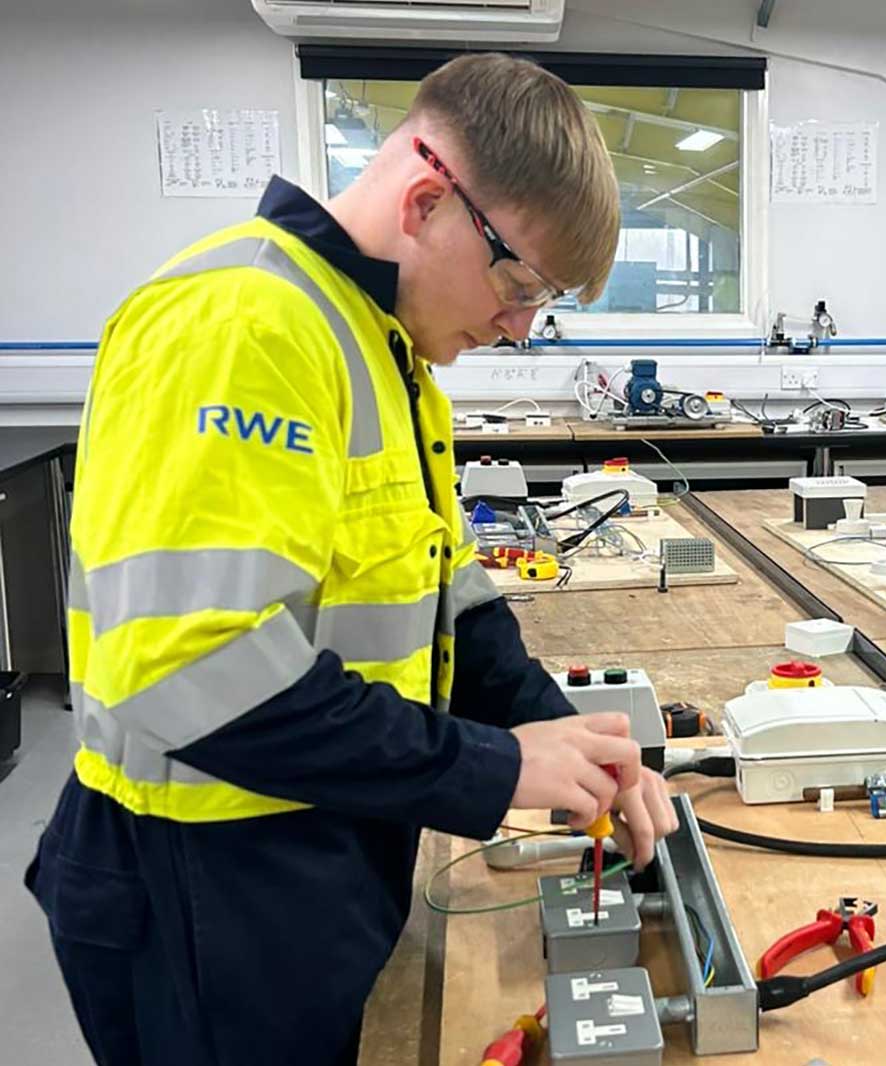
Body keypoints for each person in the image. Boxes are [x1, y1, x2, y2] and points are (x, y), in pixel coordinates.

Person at [26, 54, 677, 1065]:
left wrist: (553, 727)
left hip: (319, 846)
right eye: (517, 282)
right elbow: (197, 676)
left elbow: (447, 598)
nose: (518, 325)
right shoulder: (243, 324)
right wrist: (497, 765)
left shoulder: (385, 349)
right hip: (206, 886)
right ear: (426, 201)